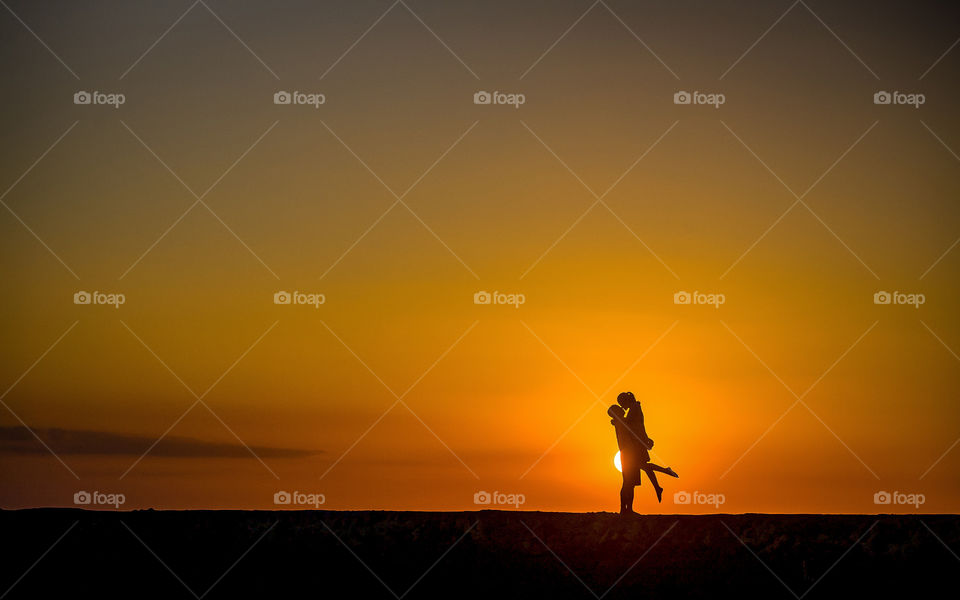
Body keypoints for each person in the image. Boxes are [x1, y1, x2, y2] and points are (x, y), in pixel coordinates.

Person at [610, 392, 677, 513]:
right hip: (629, 452)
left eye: (621, 404)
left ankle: (628, 509)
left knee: (631, 481)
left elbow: (637, 427)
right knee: (632, 478)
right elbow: (633, 426)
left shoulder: (633, 409)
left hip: (634, 449)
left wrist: (645, 439)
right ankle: (664, 474)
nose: (622, 408)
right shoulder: (627, 416)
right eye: (620, 408)